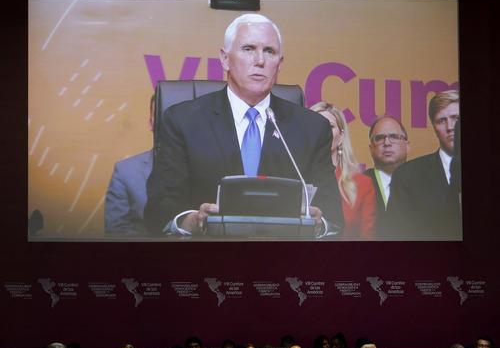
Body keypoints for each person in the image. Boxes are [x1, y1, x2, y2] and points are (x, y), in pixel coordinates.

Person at [144, 13, 344, 239]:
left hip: (285, 259)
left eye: (269, 51)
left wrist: (319, 223)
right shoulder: (183, 120)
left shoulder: (312, 127)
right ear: (225, 58)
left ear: (279, 64)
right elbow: (160, 209)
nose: (260, 60)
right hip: (207, 257)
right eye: (248, 49)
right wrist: (193, 221)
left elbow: (332, 214)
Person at [386, 90, 461, 240]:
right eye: (441, 120)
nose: (450, 127)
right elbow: (396, 235)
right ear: (433, 126)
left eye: (456, 118)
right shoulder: (407, 175)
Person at [310, 102, 376, 240]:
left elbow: (367, 239)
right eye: (315, 125)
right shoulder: (293, 177)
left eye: (329, 126)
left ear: (341, 135)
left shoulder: (362, 184)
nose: (322, 132)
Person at [104, 94, 155, 236]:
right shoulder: (125, 171)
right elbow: (117, 232)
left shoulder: (213, 166)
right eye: (162, 116)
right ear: (150, 124)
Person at [364, 116, 410, 238]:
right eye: (379, 138)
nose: (387, 143)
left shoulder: (423, 183)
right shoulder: (358, 185)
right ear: (371, 149)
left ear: (407, 146)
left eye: (394, 137)